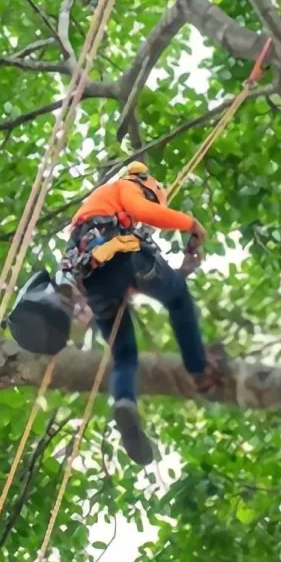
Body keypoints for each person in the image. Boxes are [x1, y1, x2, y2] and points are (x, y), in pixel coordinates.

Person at [56, 161, 226, 465]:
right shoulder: (124, 187)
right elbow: (148, 214)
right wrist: (192, 225)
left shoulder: (91, 219)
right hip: (127, 259)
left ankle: (124, 403)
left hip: (95, 279)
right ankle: (198, 367)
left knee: (124, 355)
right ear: (147, 185)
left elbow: (126, 282)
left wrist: (181, 272)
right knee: (180, 302)